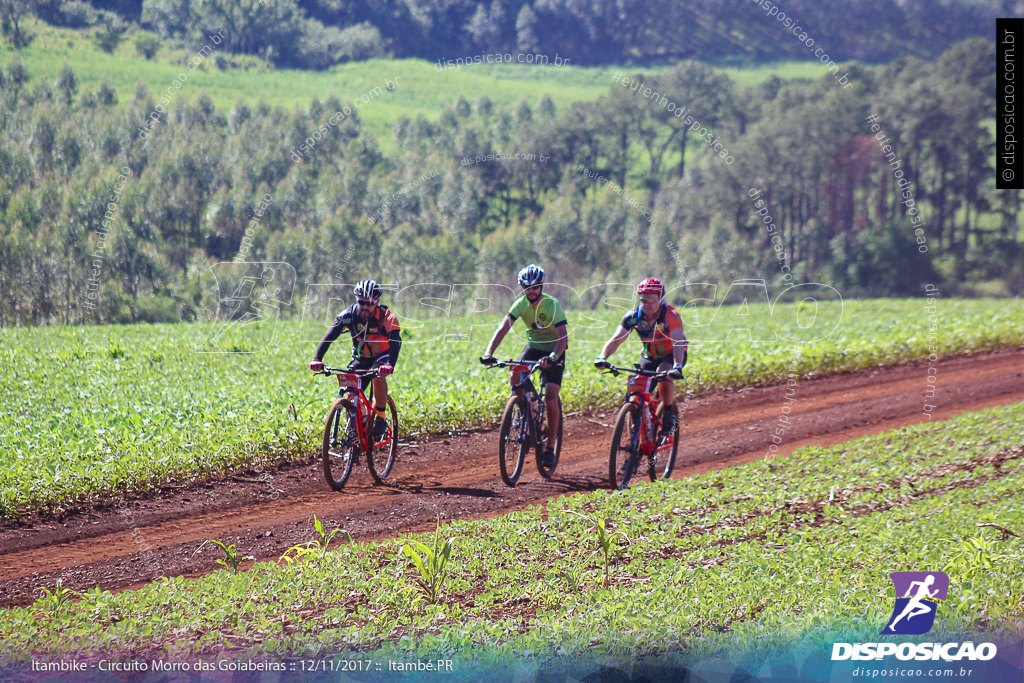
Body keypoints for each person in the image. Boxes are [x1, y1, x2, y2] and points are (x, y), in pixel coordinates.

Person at [480, 264, 568, 467]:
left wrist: (553, 357)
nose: (531, 291)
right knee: (515, 373)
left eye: (535, 287)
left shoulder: (552, 304)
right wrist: (489, 353)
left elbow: (563, 338)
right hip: (534, 347)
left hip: (555, 349)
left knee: (551, 397)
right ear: (522, 288)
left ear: (541, 286)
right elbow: (503, 328)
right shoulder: (520, 304)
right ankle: (524, 409)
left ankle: (549, 448)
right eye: (527, 287)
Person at [594, 278, 687, 438]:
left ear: (661, 299)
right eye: (644, 300)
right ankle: (636, 438)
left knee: (663, 373)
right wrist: (603, 357)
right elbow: (616, 339)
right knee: (635, 392)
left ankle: (668, 411)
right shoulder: (633, 316)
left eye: (652, 300)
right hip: (649, 356)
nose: (647, 305)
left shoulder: (670, 315)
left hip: (671, 355)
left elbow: (678, 341)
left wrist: (677, 365)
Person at [309, 280, 401, 437]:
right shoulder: (348, 315)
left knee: (378, 376)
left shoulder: (387, 317)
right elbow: (329, 337)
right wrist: (317, 358)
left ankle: (381, 418)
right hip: (361, 357)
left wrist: (390, 364)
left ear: (377, 302)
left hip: (382, 356)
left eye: (369, 303)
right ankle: (354, 441)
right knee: (350, 394)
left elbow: (396, 342)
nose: (365, 307)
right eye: (361, 302)